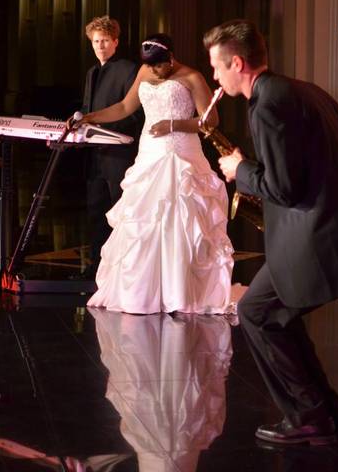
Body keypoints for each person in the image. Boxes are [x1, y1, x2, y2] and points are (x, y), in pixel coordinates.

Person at [207, 19, 338, 446]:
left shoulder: (268, 103)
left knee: (256, 313)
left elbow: (283, 187)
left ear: (237, 64)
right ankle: (323, 414)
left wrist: (242, 170)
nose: (215, 78)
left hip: (312, 237)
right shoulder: (303, 89)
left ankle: (311, 416)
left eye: (217, 68)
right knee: (274, 316)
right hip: (329, 229)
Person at [75, 33, 234, 314]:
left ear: (171, 57)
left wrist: (173, 124)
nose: (157, 72)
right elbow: (125, 107)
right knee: (143, 223)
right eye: (152, 66)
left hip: (180, 155)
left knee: (179, 220)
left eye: (160, 65)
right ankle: (142, 292)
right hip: (150, 154)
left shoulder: (192, 77)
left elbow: (210, 121)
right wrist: (90, 117)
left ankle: (180, 290)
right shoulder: (145, 71)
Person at [78, 16, 143, 281]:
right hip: (95, 154)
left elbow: (133, 112)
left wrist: (106, 128)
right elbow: (87, 109)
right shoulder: (92, 72)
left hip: (119, 154)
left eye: (105, 40)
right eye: (95, 41)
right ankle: (97, 266)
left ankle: (123, 269)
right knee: (96, 211)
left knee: (120, 210)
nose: (100, 46)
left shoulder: (128, 69)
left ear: (115, 42)